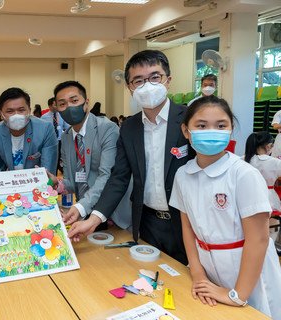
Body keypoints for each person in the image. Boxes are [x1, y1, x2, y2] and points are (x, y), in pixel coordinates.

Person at [68, 50, 195, 265]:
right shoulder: (129, 127)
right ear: (130, 88)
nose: (147, 85)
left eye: (155, 77)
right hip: (147, 223)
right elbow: (119, 177)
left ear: (168, 80)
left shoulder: (190, 119)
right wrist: (94, 219)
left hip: (187, 223)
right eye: (138, 81)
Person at [169, 96, 281, 319]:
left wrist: (238, 294)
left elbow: (258, 239)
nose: (212, 131)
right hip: (208, 267)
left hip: (248, 272)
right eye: (201, 125)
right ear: (186, 130)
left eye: (221, 125)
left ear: (230, 129)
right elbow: (187, 227)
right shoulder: (183, 174)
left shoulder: (244, 174)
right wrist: (198, 273)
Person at [48, 81, 132, 231]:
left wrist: (81, 206)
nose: (69, 107)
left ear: (86, 102)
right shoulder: (67, 137)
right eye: (62, 104)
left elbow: (107, 175)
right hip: (85, 212)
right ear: (57, 108)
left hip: (113, 213)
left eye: (74, 101)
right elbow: (72, 181)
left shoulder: (107, 129)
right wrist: (59, 184)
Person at [0, 87, 58, 173]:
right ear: (1, 114)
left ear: (29, 110)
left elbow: (49, 171)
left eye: (21, 110)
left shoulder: (45, 129)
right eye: (10, 111)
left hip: (38, 182)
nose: (16, 115)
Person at [244, 131, 281, 253]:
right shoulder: (275, 162)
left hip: (248, 198)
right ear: (268, 145)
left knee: (249, 234)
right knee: (270, 235)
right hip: (270, 199)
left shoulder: (244, 159)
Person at [41, 97, 70, 173]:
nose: (57, 106)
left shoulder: (61, 115)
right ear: (50, 106)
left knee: (61, 158)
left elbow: (67, 127)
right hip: (49, 142)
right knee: (52, 159)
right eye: (55, 104)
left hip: (60, 141)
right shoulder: (44, 117)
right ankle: (53, 174)